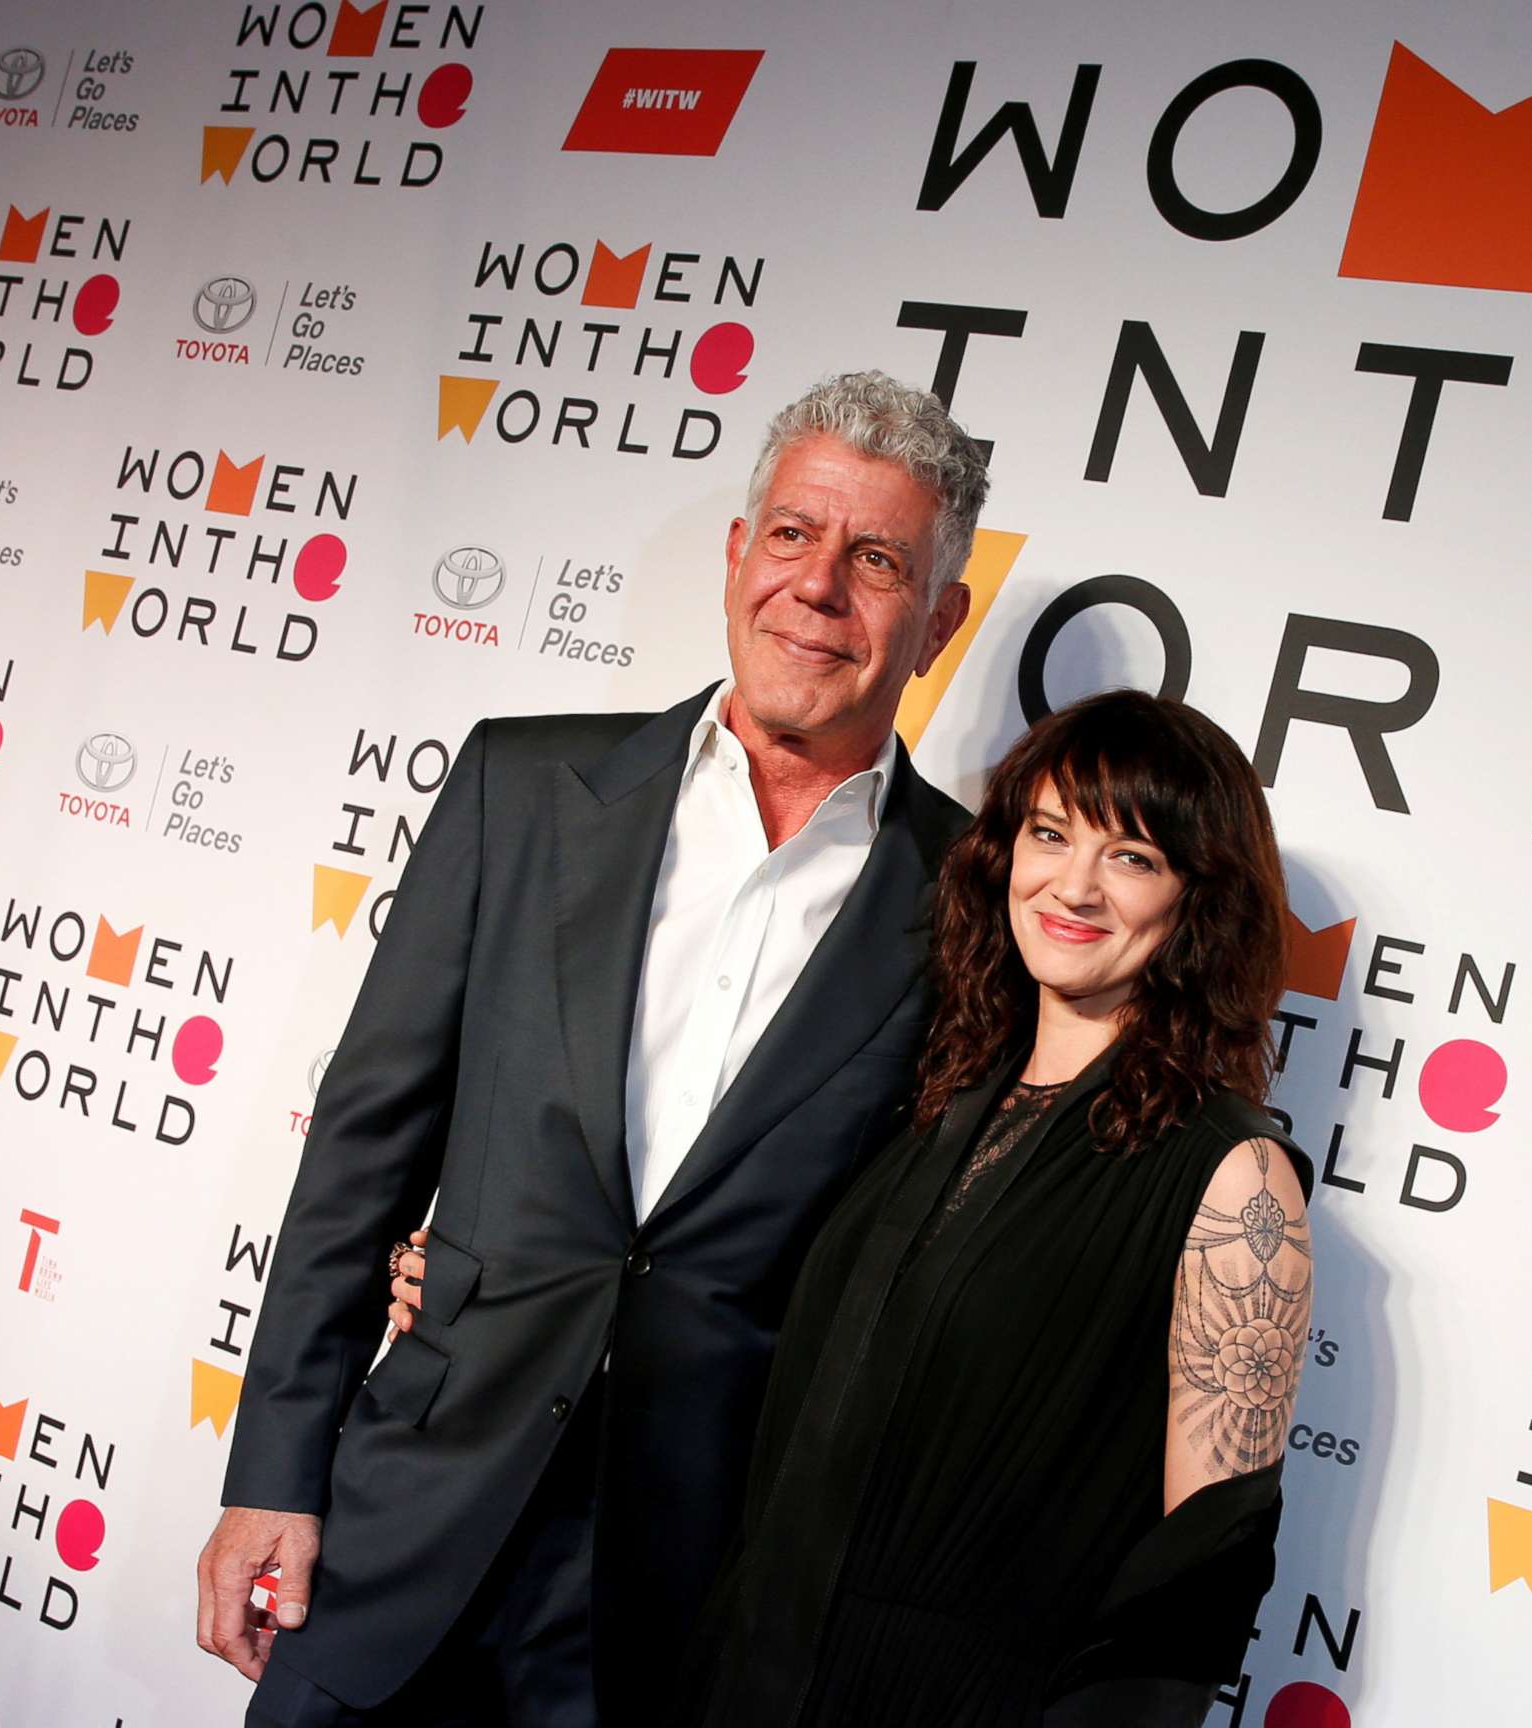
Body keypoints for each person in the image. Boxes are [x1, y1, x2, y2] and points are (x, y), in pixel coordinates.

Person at [198, 371, 988, 1728]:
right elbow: (363, 1150)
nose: (819, 587)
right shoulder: (523, 787)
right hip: (405, 1515)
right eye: (793, 535)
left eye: (877, 560)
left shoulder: (972, 900)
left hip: (679, 1597)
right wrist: (273, 1469)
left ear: (938, 623)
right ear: (738, 556)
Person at [394, 688, 1315, 1725]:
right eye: (1051, 835)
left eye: (1134, 857)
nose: (1076, 885)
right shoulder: (937, 1105)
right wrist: (500, 1278)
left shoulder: (1232, 1178)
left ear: (1199, 900)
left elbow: (1202, 1572)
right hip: (747, 1673)